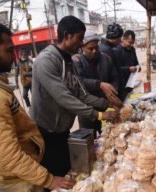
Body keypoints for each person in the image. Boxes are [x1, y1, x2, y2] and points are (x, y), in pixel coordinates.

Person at [0, 18, 75, 192]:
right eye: (8, 50)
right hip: (21, 181)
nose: (13, 57)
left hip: (27, 170)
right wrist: (49, 180)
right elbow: (9, 155)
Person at [31, 16, 120, 177]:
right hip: (46, 134)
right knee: (55, 177)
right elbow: (65, 98)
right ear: (67, 36)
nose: (81, 43)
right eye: (79, 39)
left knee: (68, 171)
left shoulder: (69, 62)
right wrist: (99, 115)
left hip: (63, 131)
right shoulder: (46, 61)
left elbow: (82, 94)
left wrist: (108, 103)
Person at [73, 31, 122, 135]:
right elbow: (80, 82)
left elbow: (114, 77)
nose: (94, 51)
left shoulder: (106, 58)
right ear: (82, 48)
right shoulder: (77, 61)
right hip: (87, 110)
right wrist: (99, 84)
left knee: (107, 136)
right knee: (89, 138)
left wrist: (113, 91)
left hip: (105, 106)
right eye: (90, 49)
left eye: (96, 47)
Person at [99, 23, 125, 99]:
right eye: (120, 38)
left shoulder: (107, 47)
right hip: (112, 91)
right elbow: (109, 74)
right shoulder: (107, 50)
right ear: (116, 38)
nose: (120, 41)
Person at [114, 30, 140, 99]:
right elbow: (115, 69)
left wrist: (138, 67)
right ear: (124, 39)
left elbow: (136, 63)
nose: (131, 45)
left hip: (130, 82)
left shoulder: (132, 49)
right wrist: (128, 69)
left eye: (133, 43)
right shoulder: (117, 50)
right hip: (121, 84)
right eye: (130, 42)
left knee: (130, 100)